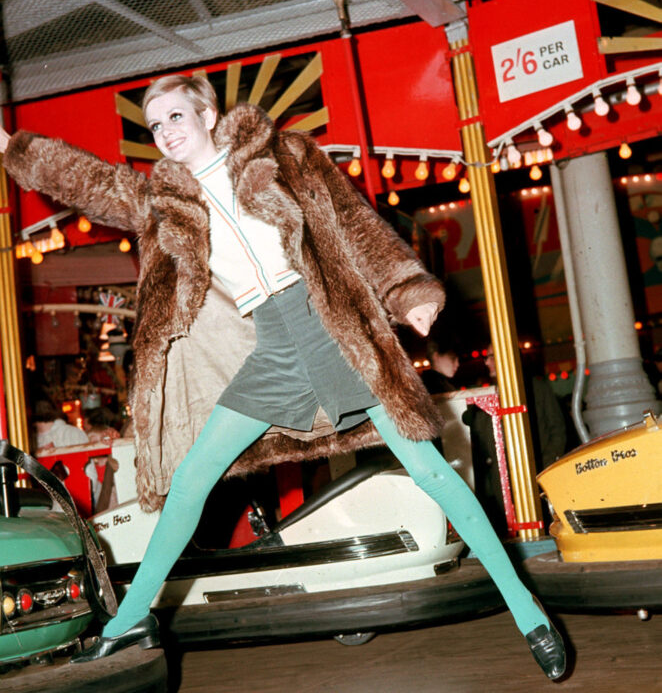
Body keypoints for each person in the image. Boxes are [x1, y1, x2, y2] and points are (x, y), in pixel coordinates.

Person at [0, 75, 565, 679]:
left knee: (430, 470)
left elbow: (355, 225)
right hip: (271, 350)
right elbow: (93, 183)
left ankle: (527, 608)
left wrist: (406, 291)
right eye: (155, 125)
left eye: (175, 117)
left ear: (208, 113)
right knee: (191, 480)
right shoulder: (165, 202)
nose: (165, 132)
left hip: (335, 330)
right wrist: (9, 144)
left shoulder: (284, 157)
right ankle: (129, 619)